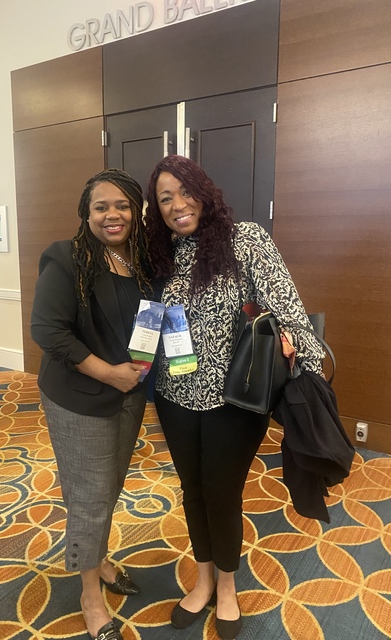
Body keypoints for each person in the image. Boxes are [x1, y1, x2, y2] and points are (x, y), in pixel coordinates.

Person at [144, 156, 324, 640]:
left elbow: (289, 308)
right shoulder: (160, 254)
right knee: (192, 490)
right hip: (174, 395)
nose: (178, 205)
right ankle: (202, 579)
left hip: (235, 400)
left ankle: (226, 586)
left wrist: (309, 378)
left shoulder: (245, 239)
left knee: (222, 493)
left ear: (204, 192)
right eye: (165, 198)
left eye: (185, 192)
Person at [31, 169, 155, 640]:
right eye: (101, 207)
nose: (112, 215)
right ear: (86, 214)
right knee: (89, 496)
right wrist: (108, 373)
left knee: (110, 485)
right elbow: (47, 331)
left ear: (137, 212)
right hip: (79, 395)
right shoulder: (66, 257)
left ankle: (98, 559)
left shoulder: (142, 260)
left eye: (122, 205)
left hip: (129, 394)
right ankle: (89, 595)